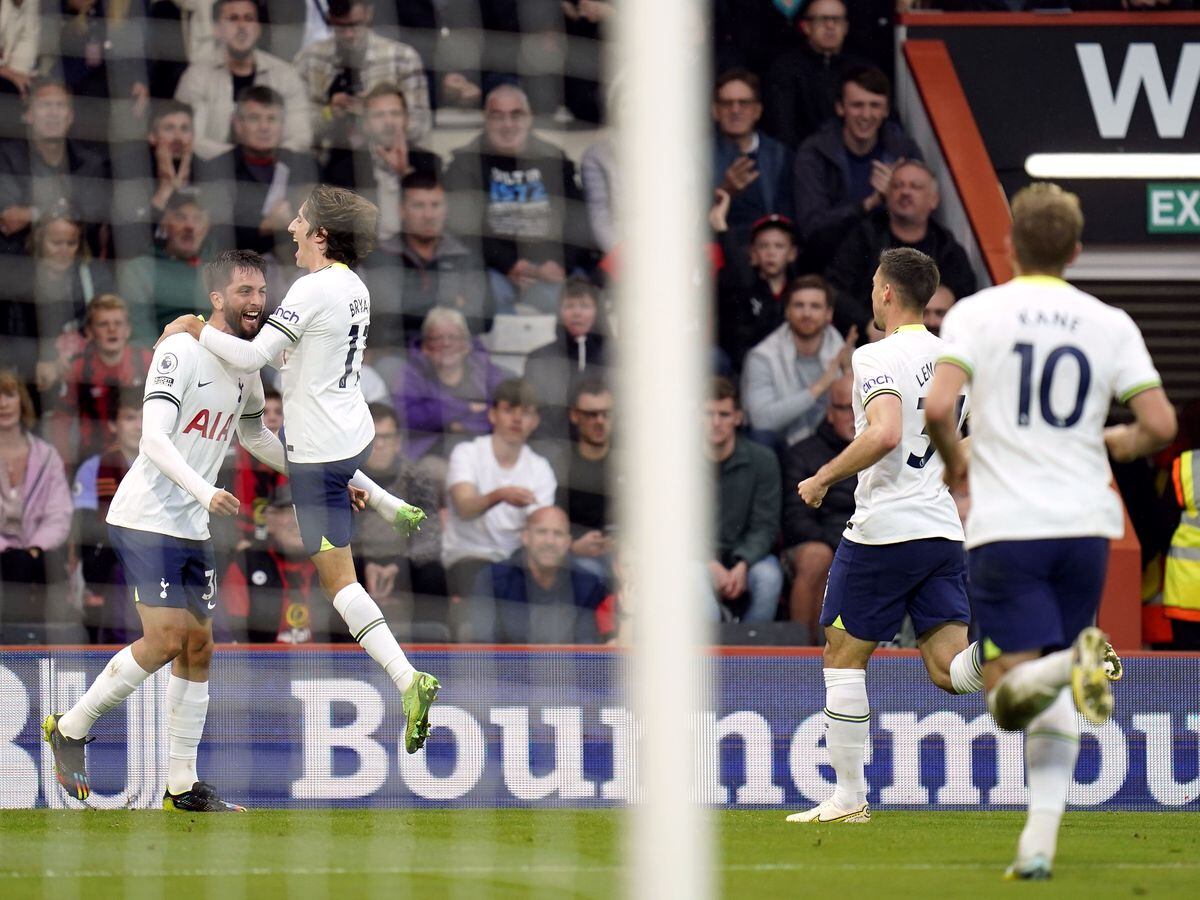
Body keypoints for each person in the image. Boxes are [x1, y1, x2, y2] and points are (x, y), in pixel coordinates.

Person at [925, 184, 1172, 878]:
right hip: (1085, 527)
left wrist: (955, 463)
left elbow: (940, 405)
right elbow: (1158, 425)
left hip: (1010, 527)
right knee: (1044, 699)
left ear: (1009, 246)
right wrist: (1109, 445)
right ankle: (1037, 845)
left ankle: (1072, 663)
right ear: (1075, 250)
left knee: (1007, 694)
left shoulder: (977, 314)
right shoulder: (1109, 322)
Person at [159, 188, 441, 755]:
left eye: (301, 221)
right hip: (352, 436)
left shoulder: (313, 288)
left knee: (341, 586)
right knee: (313, 468)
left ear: (321, 235)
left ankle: (409, 680)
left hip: (317, 451)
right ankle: (388, 502)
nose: (290, 227)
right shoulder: (355, 287)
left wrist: (194, 328)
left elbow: (249, 357)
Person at [42, 250, 282, 810]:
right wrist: (204, 490)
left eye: (261, 291)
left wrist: (322, 474)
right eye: (244, 291)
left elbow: (255, 437)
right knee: (167, 640)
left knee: (199, 647)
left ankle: (182, 785)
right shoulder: (178, 349)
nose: (256, 302)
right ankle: (71, 728)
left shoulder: (247, 367)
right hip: (147, 514)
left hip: (193, 523)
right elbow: (152, 440)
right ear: (216, 298)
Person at [784, 248, 989, 824]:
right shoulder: (957, 361)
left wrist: (823, 476)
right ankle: (1025, 649)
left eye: (875, 284)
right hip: (943, 530)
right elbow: (968, 448)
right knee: (950, 670)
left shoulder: (876, 356)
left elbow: (886, 431)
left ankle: (849, 799)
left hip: (885, 532)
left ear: (887, 294)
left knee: (843, 657)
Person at [443, 83, 592, 314]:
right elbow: (464, 227)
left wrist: (561, 264)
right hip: (494, 268)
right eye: (497, 116)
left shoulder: (554, 159)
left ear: (529, 118)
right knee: (486, 300)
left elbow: (579, 219)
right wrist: (511, 264)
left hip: (550, 266)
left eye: (516, 115)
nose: (508, 125)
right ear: (485, 119)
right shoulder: (465, 162)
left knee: (566, 302)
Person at [441, 378, 557, 607]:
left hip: (519, 559)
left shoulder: (541, 467)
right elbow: (465, 508)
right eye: (508, 410)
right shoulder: (467, 453)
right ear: (492, 414)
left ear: (535, 421)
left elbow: (540, 527)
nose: (516, 418)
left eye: (525, 412)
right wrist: (500, 495)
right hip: (468, 555)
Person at [826, 161, 976, 335]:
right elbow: (835, 289)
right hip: (871, 342)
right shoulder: (864, 237)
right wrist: (867, 325)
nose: (905, 192)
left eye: (915, 187)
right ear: (887, 195)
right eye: (897, 186)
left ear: (933, 200)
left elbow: (967, 304)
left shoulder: (946, 247)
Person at [792, 67, 921, 269]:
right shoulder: (814, 152)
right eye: (857, 105)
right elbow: (812, 228)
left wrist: (896, 196)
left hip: (890, 264)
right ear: (840, 108)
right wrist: (868, 204)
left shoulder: (903, 150)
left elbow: (922, 218)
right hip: (830, 265)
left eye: (875, 105)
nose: (866, 115)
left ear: (886, 110)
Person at [363, 169, 492, 357]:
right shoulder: (381, 255)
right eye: (419, 205)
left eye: (435, 205)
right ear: (402, 210)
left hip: (456, 352)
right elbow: (386, 318)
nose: (429, 214)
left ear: (445, 208)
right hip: (397, 353)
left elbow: (484, 318)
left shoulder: (465, 255)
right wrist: (451, 304)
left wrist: (413, 303)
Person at [174, 0, 311, 161]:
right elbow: (191, 139)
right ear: (216, 29)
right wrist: (243, 160)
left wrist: (264, 161)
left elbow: (301, 137)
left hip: (275, 170)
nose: (242, 26)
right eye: (233, 18)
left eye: (248, 18)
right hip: (212, 171)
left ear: (259, 28)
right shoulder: (196, 76)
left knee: (325, 178)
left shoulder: (285, 74)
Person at [293, 0, 431, 152]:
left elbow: (420, 126)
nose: (349, 35)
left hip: (387, 162)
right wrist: (329, 113)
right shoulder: (308, 59)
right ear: (330, 18)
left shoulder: (403, 59)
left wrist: (374, 117)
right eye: (340, 26)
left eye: (355, 25)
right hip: (323, 161)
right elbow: (294, 128)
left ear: (369, 14)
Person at [199, 85, 318, 261]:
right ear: (238, 124)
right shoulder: (216, 170)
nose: (264, 127)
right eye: (254, 118)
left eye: (272, 119)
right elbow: (212, 238)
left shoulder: (305, 166)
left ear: (282, 125)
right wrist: (265, 227)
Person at [781, 375, 856, 643]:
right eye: (844, 407)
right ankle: (802, 653)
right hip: (817, 542)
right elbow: (795, 518)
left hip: (866, 540)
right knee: (817, 557)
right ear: (829, 412)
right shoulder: (803, 453)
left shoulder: (886, 448)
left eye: (858, 405)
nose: (853, 415)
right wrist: (837, 543)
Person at [742, 275, 857, 449]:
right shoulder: (762, 357)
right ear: (787, 311)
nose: (807, 314)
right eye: (799, 305)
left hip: (832, 446)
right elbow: (761, 421)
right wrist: (819, 387)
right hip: (784, 446)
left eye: (815, 306)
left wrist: (848, 371)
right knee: (762, 438)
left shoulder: (845, 354)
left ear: (829, 314)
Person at [466, 506, 611, 643]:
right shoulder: (492, 578)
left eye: (558, 534)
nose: (550, 541)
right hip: (506, 667)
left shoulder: (586, 583)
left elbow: (587, 647)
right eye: (542, 532)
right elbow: (482, 644)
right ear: (525, 537)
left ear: (568, 542)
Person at [0, 78, 110, 259]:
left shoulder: (91, 164)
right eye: (44, 105)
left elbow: (89, 221)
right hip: (17, 264)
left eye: (60, 106)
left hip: (72, 264)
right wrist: (59, 207)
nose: (53, 113)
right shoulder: (7, 157)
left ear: (70, 117)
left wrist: (33, 212)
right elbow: (10, 220)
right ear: (28, 115)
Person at [321, 83, 440, 241]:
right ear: (366, 123)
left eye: (395, 113)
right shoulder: (346, 167)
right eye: (379, 115)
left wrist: (406, 173)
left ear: (406, 119)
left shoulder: (430, 163)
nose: (388, 122)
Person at [707, 377, 783, 623]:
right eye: (707, 414)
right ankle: (703, 657)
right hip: (696, 559)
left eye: (724, 414)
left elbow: (766, 525)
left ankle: (751, 658)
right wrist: (709, 563)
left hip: (749, 557)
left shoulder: (763, 459)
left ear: (738, 417)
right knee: (690, 584)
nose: (715, 423)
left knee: (769, 578)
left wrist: (743, 563)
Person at [0, 369, 72, 626]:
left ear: (21, 399)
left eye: (9, 394)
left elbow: (59, 513)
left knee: (40, 568)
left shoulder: (47, 456)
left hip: (38, 558)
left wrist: (34, 548)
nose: (3, 404)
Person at [399, 306, 510, 471]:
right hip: (433, 455)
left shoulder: (486, 370)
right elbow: (411, 417)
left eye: (453, 337)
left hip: (483, 451)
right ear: (425, 344)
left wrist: (458, 426)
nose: (446, 343)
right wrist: (466, 407)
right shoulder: (413, 372)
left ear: (466, 342)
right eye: (437, 338)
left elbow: (502, 413)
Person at [73, 387, 143, 644]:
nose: (139, 425)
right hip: (108, 557)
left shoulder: (167, 465)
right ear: (113, 424)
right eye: (130, 418)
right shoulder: (92, 469)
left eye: (145, 417)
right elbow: (85, 532)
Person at [51, 294, 153, 470]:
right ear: (89, 332)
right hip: (93, 460)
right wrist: (64, 467)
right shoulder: (78, 369)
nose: (112, 330)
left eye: (118, 323)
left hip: (143, 455)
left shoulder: (146, 361)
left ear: (128, 330)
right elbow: (62, 421)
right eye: (103, 324)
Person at [763, 0, 873, 148]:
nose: (830, 26)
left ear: (846, 27)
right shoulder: (785, 69)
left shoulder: (863, 69)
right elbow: (783, 130)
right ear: (806, 27)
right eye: (822, 19)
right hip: (803, 161)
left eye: (837, 20)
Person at [523, 277, 610, 448]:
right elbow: (535, 414)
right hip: (555, 448)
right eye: (569, 306)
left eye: (584, 306)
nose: (576, 313)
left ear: (597, 312)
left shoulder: (616, 356)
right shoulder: (540, 358)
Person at [110, 100, 201, 258]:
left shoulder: (205, 173)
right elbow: (126, 243)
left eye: (185, 129)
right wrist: (165, 191)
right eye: (169, 128)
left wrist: (182, 188)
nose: (178, 137)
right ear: (152, 136)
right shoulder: (131, 172)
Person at [118, 190, 212, 342]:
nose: (189, 226)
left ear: (207, 226)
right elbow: (138, 329)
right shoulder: (141, 269)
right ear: (165, 223)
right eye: (180, 217)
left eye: (197, 218)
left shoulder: (221, 270)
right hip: (159, 357)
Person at [711, 69, 794, 241]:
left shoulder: (779, 156)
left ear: (757, 111)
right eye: (727, 103)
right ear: (715, 111)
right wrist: (725, 191)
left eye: (744, 103)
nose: (735, 110)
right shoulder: (698, 157)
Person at [716, 214, 799, 372]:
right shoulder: (740, 289)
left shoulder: (800, 291)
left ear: (792, 253)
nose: (771, 253)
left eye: (779, 246)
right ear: (753, 254)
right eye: (763, 246)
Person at [555, 378, 615, 579]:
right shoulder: (559, 465)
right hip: (575, 557)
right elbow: (548, 521)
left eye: (606, 414)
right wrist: (572, 545)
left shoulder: (632, 464)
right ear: (574, 415)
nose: (600, 421)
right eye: (591, 414)